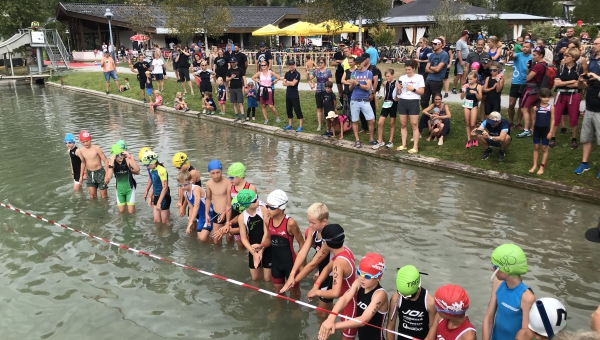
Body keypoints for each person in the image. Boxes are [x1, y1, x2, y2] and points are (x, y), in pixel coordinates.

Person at [318, 253, 388, 340]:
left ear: (378, 277)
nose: (362, 278)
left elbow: (364, 320)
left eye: (367, 276)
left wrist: (334, 325)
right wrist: (330, 319)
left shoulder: (380, 294)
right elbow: (345, 298)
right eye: (359, 273)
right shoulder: (359, 282)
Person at [279, 203, 332, 315]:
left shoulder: (329, 236)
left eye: (313, 223)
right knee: (324, 303)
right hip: (323, 266)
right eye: (309, 222)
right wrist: (292, 273)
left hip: (332, 272)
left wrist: (294, 280)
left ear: (324, 222)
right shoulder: (313, 231)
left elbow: (313, 264)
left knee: (320, 313)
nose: (309, 225)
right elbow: (303, 252)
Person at [307, 224, 356, 339]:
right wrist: (316, 285)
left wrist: (317, 292)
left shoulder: (339, 263)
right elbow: (327, 268)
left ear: (326, 242)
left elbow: (335, 293)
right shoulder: (345, 250)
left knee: (347, 337)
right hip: (344, 301)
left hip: (349, 303)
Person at [483, 243, 535, 340]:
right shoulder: (498, 283)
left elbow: (525, 335)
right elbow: (489, 318)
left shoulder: (527, 297)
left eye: (495, 266)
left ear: (506, 270)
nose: (492, 268)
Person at [265, 189, 304, 295]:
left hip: (290, 263)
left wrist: (302, 263)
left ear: (281, 207)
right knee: (278, 292)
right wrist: (261, 246)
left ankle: (296, 310)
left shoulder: (290, 223)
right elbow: (269, 239)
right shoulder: (268, 220)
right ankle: (279, 309)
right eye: (267, 206)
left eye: (272, 207)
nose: (268, 209)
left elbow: (301, 243)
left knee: (294, 292)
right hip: (276, 263)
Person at [386, 265, 437, 340]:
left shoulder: (430, 302)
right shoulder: (396, 298)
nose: (405, 298)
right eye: (403, 295)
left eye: (409, 296)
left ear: (418, 286)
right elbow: (390, 327)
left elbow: (432, 332)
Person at [574, 37, 600, 176]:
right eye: (594, 43)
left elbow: (596, 77)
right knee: (586, 137)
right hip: (590, 104)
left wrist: (596, 76)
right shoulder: (592, 59)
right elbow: (586, 84)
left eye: (596, 44)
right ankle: (585, 163)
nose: (593, 45)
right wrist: (581, 82)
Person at [233, 189, 271, 281]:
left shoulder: (263, 210)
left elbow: (267, 231)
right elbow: (244, 238)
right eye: (255, 200)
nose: (258, 201)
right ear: (247, 204)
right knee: (255, 278)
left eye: (257, 198)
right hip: (253, 246)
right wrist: (254, 253)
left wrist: (261, 249)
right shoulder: (242, 217)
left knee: (267, 279)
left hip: (266, 244)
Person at [551, 47, 582, 149]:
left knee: (573, 118)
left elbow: (579, 84)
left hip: (574, 95)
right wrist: (571, 82)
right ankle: (553, 137)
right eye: (565, 55)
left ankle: (574, 139)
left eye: (567, 55)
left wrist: (564, 83)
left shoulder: (578, 68)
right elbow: (556, 83)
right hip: (560, 95)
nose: (565, 57)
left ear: (573, 58)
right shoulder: (561, 67)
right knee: (556, 117)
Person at [395, 60, 425, 153]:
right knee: (403, 124)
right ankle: (404, 144)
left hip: (413, 101)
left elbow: (422, 92)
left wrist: (413, 89)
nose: (407, 71)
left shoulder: (419, 77)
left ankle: (415, 146)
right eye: (406, 69)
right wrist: (398, 89)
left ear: (414, 69)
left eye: (409, 70)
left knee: (414, 125)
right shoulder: (402, 77)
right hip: (403, 101)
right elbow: (399, 93)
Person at [517, 48, 548, 138]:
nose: (533, 57)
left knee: (524, 108)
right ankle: (533, 128)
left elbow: (528, 78)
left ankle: (526, 129)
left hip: (531, 90)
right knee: (533, 110)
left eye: (535, 55)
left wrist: (530, 70)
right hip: (538, 90)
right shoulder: (544, 64)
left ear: (541, 55)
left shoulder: (538, 66)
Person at [105, 143, 140, 213]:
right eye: (118, 155)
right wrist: (111, 162)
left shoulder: (127, 160)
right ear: (114, 156)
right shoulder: (112, 163)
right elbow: (109, 177)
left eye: (121, 154)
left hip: (129, 189)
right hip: (119, 190)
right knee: (121, 213)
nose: (120, 157)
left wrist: (129, 157)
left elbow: (137, 169)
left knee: (131, 213)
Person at [528, 88, 555, 175]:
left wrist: (551, 132)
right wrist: (532, 128)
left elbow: (553, 120)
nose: (546, 99)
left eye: (548, 97)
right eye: (544, 97)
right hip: (537, 130)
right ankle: (534, 165)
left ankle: (542, 166)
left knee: (544, 148)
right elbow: (534, 119)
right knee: (536, 147)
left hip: (546, 131)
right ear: (540, 97)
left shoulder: (551, 107)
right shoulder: (535, 108)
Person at [507, 41, 533, 127]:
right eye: (524, 46)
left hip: (526, 83)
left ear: (530, 48)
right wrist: (511, 54)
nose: (525, 48)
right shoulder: (518, 55)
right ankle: (511, 122)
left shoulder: (532, 57)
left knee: (521, 105)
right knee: (511, 104)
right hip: (516, 82)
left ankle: (518, 122)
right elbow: (513, 56)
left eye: (527, 47)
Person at [141, 150, 170, 224]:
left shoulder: (161, 170)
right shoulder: (151, 169)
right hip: (156, 195)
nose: (146, 167)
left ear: (153, 162)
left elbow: (165, 188)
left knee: (165, 222)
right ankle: (157, 235)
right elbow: (152, 181)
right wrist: (149, 194)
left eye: (147, 165)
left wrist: (159, 203)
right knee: (156, 221)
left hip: (164, 197)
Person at [78, 131, 109, 199]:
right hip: (90, 173)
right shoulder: (81, 150)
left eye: (87, 141)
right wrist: (81, 176)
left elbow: (106, 161)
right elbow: (83, 163)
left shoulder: (97, 148)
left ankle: (105, 208)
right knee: (92, 196)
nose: (86, 143)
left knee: (104, 196)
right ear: (81, 142)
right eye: (83, 142)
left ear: (90, 139)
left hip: (100, 172)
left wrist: (106, 176)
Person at [205, 160, 230, 244]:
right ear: (209, 173)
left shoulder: (228, 183)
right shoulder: (208, 184)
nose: (216, 176)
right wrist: (206, 213)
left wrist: (224, 212)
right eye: (213, 173)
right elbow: (208, 198)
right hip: (216, 213)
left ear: (222, 171)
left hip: (228, 213)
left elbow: (231, 200)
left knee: (229, 239)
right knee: (216, 240)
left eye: (218, 172)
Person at [373, 69, 398, 149]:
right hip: (386, 103)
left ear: (392, 75)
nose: (387, 78)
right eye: (386, 76)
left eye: (388, 76)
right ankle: (380, 141)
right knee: (380, 123)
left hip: (394, 104)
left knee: (392, 123)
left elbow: (399, 93)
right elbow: (385, 91)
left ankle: (390, 141)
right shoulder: (385, 83)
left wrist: (398, 97)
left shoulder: (396, 83)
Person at [172, 152, 202, 217]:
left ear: (185, 163)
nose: (178, 170)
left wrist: (183, 207)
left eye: (179, 168)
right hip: (190, 200)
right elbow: (180, 187)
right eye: (176, 168)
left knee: (194, 223)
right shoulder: (183, 172)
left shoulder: (192, 173)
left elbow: (189, 191)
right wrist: (180, 202)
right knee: (191, 222)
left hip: (196, 201)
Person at [422, 38, 449, 109]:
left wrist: (431, 67)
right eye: (433, 44)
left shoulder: (444, 54)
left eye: (435, 44)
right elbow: (426, 69)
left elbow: (438, 69)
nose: (433, 45)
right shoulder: (432, 55)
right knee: (423, 101)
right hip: (428, 80)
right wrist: (433, 68)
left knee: (435, 102)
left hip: (437, 81)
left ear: (440, 45)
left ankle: (435, 116)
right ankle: (426, 115)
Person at [461, 71, 483, 148]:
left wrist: (475, 93)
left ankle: (475, 138)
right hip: (466, 105)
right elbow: (461, 97)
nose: (469, 80)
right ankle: (469, 140)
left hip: (474, 105)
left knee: (473, 124)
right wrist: (463, 91)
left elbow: (480, 99)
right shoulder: (466, 85)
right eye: (468, 79)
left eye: (471, 79)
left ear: (476, 78)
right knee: (467, 123)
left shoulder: (479, 86)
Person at [282, 60, 304, 132]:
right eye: (290, 65)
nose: (291, 66)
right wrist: (289, 82)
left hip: (294, 94)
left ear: (294, 65)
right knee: (288, 110)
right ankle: (290, 125)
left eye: (292, 64)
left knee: (297, 109)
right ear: (288, 66)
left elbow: (293, 84)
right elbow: (283, 83)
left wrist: (287, 82)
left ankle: (300, 126)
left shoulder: (297, 74)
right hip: (288, 94)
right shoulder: (287, 73)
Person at [313, 57, 333, 132]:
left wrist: (329, 91)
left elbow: (330, 82)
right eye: (319, 62)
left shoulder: (328, 71)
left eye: (321, 62)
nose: (320, 64)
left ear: (324, 63)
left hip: (326, 92)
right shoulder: (316, 71)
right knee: (319, 108)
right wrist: (308, 74)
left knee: (328, 109)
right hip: (318, 91)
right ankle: (320, 125)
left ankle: (329, 125)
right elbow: (309, 78)